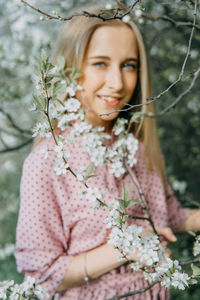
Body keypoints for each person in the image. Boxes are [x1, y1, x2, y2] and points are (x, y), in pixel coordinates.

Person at [15, 6, 200, 300]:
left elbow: (170, 215)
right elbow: (42, 271)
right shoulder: (48, 162)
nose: (117, 83)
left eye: (129, 65)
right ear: (69, 68)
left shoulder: (139, 149)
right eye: (100, 63)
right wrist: (126, 247)